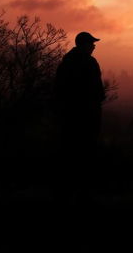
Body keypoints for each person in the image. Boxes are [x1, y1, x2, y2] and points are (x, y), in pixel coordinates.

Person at [54, 30, 106, 200]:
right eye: (91, 44)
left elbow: (58, 90)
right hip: (87, 116)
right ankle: (84, 192)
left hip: (68, 117)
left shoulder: (65, 63)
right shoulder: (90, 63)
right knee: (86, 155)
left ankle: (66, 190)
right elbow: (98, 91)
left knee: (68, 153)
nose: (94, 46)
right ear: (84, 45)